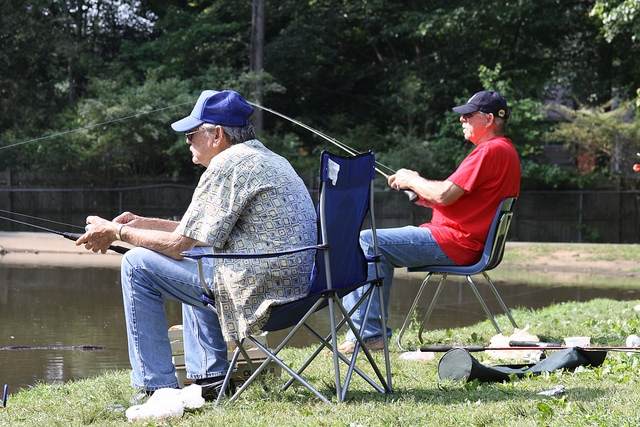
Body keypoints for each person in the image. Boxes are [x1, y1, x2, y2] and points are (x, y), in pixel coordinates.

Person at [76, 90, 317, 400]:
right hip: (299, 289)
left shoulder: (226, 165)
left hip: (262, 294)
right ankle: (210, 379)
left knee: (137, 264)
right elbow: (196, 234)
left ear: (216, 135)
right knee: (198, 257)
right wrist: (139, 224)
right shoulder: (267, 158)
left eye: (191, 135)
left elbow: (179, 245)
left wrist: (116, 233)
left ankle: (155, 387)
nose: (187, 142)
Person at [339, 90, 521, 353]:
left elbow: (445, 194)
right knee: (369, 241)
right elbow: (456, 196)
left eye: (469, 115)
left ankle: (369, 336)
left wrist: (413, 179)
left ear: (489, 119)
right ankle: (368, 333)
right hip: (463, 241)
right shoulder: (504, 151)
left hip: (456, 242)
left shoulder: (490, 150)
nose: (462, 120)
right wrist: (419, 195)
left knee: (367, 241)